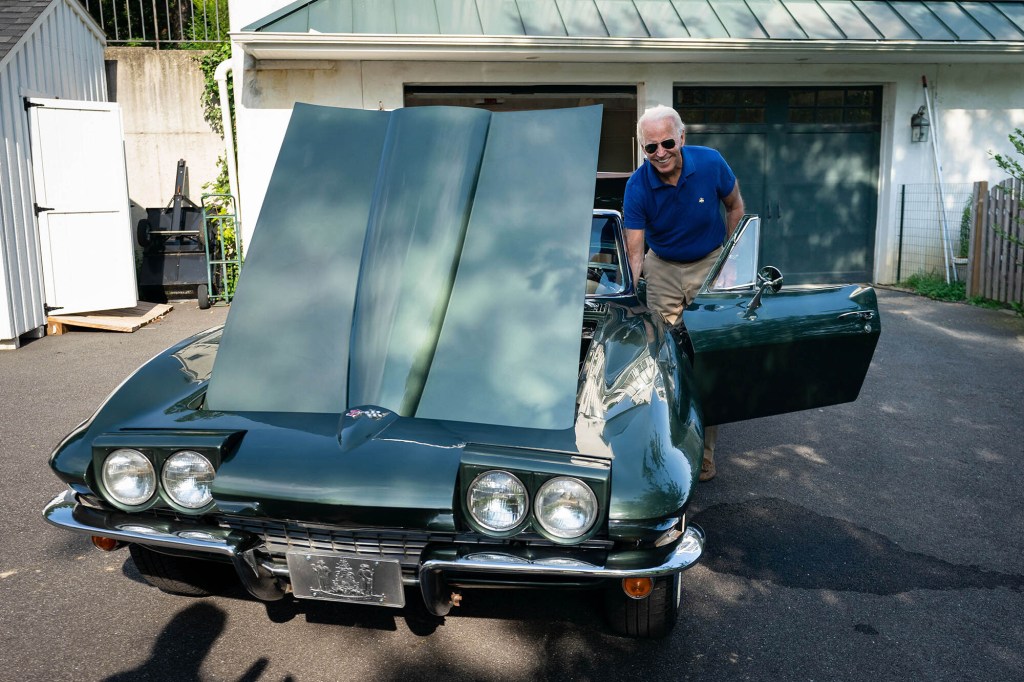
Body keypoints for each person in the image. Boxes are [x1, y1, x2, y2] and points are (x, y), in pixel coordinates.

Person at [623, 105, 745, 482]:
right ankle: (663, 449)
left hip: (709, 261)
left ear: (682, 139)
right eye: (650, 147)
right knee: (665, 358)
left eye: (667, 143)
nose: (660, 152)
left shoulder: (711, 163)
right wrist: (628, 298)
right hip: (663, 266)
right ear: (643, 149)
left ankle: (706, 454)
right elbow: (634, 252)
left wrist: (730, 259)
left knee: (706, 356)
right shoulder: (637, 186)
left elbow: (736, 206)